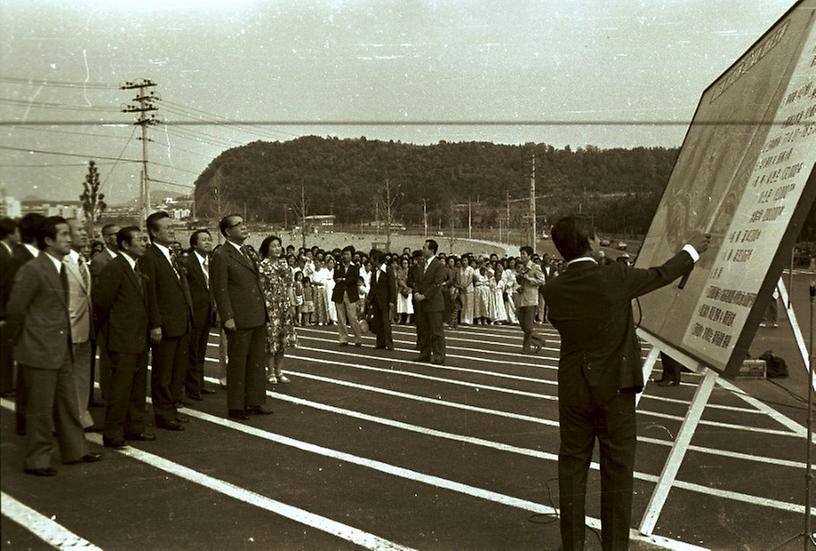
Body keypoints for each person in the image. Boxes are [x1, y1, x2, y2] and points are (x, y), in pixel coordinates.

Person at [542, 215, 710, 550]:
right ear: (591, 241)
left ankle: (572, 544)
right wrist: (692, 249)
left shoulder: (554, 288)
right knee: (617, 472)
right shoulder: (615, 276)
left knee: (572, 467)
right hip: (615, 388)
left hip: (574, 388)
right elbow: (661, 274)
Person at [6, 216, 103, 475]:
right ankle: (37, 459)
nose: (69, 238)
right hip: (39, 349)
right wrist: (24, 343)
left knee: (68, 402)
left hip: (60, 347)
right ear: (48, 241)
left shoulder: (57, 267)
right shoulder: (33, 269)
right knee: (40, 408)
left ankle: (75, 450)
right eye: (63, 235)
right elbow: (16, 309)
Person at [93, 226, 155, 448]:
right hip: (121, 338)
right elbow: (101, 304)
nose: (145, 243)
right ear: (125, 245)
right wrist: (109, 334)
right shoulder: (115, 268)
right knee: (120, 388)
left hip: (138, 337)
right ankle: (113, 432)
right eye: (139, 240)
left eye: (145, 239)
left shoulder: (138, 267)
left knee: (137, 387)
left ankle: (135, 427)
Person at [211, 214, 273, 420]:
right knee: (238, 362)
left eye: (244, 224)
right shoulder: (221, 255)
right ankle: (236, 405)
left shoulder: (246, 251)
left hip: (256, 314)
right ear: (227, 232)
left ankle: (255, 401)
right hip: (239, 317)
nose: (244, 228)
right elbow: (220, 289)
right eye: (238, 225)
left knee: (257, 360)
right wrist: (227, 316)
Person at [141, 211, 193, 432]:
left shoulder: (171, 254)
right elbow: (151, 294)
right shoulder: (149, 257)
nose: (173, 230)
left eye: (173, 227)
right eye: (167, 227)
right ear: (153, 232)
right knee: (163, 372)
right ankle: (163, 413)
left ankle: (171, 408)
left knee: (177, 370)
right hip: (165, 325)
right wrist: (155, 324)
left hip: (180, 323)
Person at [64, 219, 95, 431]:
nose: (84, 233)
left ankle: (81, 415)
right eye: (78, 230)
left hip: (85, 328)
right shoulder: (62, 263)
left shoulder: (81, 261)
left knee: (82, 377)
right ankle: (68, 421)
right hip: (68, 330)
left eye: (85, 229)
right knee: (67, 380)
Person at [258, 235, 297, 385]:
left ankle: (280, 371)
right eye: (273, 246)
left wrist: (292, 304)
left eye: (279, 245)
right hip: (270, 306)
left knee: (282, 340)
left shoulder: (284, 265)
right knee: (271, 340)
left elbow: (289, 286)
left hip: (284, 306)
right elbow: (260, 288)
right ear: (267, 248)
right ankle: (271, 372)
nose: (277, 249)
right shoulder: (263, 266)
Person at [183, 229, 216, 400]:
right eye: (203, 240)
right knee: (192, 351)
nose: (208, 242)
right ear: (194, 244)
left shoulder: (211, 262)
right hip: (194, 313)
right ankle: (191, 387)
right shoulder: (187, 262)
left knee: (201, 350)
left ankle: (200, 384)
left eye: (209, 239)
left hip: (207, 312)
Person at [89, 222, 120, 407]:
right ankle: (109, 395)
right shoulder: (101, 260)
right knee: (108, 357)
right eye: (114, 234)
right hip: (108, 318)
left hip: (121, 317)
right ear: (107, 238)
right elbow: (100, 293)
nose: (118, 237)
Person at [414, 239, 447, 365]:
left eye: (424, 248)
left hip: (433, 303)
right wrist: (416, 292)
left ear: (431, 250)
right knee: (423, 330)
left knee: (436, 331)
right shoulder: (422, 264)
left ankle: (439, 355)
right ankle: (424, 354)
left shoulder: (439, 265)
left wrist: (424, 296)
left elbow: (436, 284)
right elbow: (417, 281)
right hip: (422, 302)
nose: (423, 250)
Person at [0, 217, 19, 397]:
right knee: (4, 351)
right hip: (2, 312)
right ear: (10, 233)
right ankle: (4, 387)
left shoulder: (7, 251)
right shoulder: (2, 253)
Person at [516, 246, 547, 354]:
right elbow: (521, 282)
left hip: (531, 299)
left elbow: (542, 281)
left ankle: (526, 347)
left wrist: (529, 279)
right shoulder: (522, 268)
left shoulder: (535, 267)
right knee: (522, 323)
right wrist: (520, 282)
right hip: (522, 298)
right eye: (521, 254)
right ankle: (539, 340)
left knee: (528, 326)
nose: (522, 256)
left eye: (524, 254)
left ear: (529, 256)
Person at [332, 245, 363, 347]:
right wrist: (342, 279)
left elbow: (354, 279)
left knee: (352, 317)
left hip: (350, 293)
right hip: (339, 293)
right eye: (344, 254)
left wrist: (343, 279)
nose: (345, 256)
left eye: (347, 254)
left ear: (351, 256)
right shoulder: (338, 265)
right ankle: (343, 338)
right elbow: (335, 277)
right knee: (341, 317)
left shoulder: (355, 267)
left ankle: (358, 337)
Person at [367, 248, 397, 350]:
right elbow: (373, 287)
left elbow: (392, 287)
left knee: (386, 322)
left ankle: (389, 343)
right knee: (378, 322)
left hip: (385, 301)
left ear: (376, 259)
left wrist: (392, 301)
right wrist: (369, 299)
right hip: (376, 300)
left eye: (372, 259)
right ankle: (380, 343)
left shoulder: (388, 270)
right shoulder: (375, 272)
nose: (371, 261)